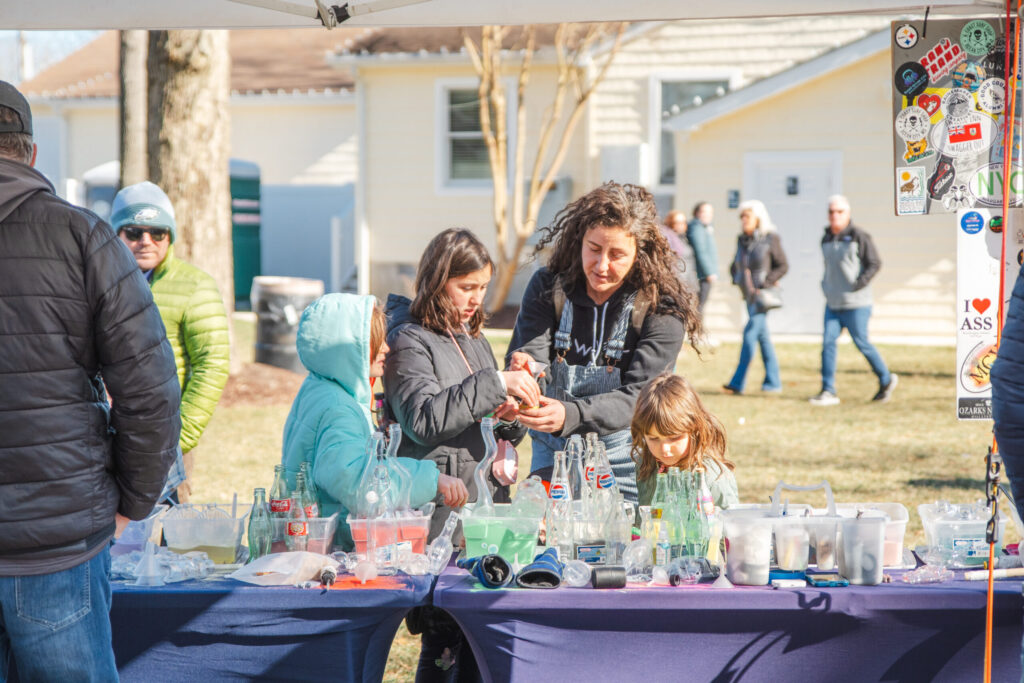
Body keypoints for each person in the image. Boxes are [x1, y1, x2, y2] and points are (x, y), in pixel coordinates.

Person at [0, 80, 181, 680]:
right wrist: (133, 501)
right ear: (28, 152)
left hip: (59, 538)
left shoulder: (83, 237)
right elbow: (151, 390)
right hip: (60, 540)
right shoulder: (83, 236)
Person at [384, 228, 535, 683]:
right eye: (465, 287)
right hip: (441, 515)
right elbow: (423, 420)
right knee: (444, 641)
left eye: (483, 288)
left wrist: (512, 412)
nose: (476, 299)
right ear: (437, 280)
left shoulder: (473, 338)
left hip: (483, 510)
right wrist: (494, 385)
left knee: (479, 641)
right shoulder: (409, 339)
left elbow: (483, 422)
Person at [507, 181, 701, 503]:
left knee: (621, 543)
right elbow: (531, 351)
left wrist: (571, 415)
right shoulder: (548, 286)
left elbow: (641, 395)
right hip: (553, 454)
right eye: (594, 249)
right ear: (579, 240)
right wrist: (526, 367)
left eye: (617, 255)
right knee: (548, 538)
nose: (601, 266)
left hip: (627, 454)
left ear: (640, 253)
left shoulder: (661, 307)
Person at [280, 293, 463, 549]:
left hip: (307, 539)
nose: (386, 348)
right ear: (346, 350)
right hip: (332, 550)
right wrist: (432, 479)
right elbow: (360, 484)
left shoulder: (318, 386)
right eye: (374, 341)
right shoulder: (338, 408)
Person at [112, 181, 231, 500]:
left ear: (170, 236)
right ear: (117, 234)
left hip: (166, 439)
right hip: (109, 435)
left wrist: (180, 435)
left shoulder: (195, 286)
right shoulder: (99, 282)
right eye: (134, 232)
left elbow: (212, 365)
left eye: (157, 232)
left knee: (169, 536)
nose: (145, 242)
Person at [809, 195, 898, 406]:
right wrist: (826, 286)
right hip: (833, 303)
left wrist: (858, 283)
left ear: (847, 214)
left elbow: (874, 263)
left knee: (862, 343)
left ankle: (886, 379)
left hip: (857, 303)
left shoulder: (859, 236)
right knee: (828, 344)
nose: (834, 216)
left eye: (839, 212)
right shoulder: (826, 238)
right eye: (831, 212)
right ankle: (828, 390)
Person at [631, 374, 738, 511]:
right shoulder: (647, 465)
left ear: (695, 428)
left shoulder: (713, 476)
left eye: (674, 437)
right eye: (653, 438)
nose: (665, 449)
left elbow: (731, 527)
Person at [723, 200, 789, 395]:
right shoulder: (742, 240)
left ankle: (737, 382)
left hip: (762, 297)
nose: (743, 220)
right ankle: (773, 382)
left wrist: (766, 283)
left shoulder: (770, 238)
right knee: (763, 338)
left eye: (747, 216)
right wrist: (735, 275)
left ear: (758, 218)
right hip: (748, 295)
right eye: (742, 217)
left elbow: (783, 265)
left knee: (749, 335)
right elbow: (737, 263)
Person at [687, 201, 718, 314]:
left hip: (703, 274)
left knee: (701, 305)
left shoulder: (705, 227)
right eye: (704, 212)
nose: (708, 215)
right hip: (701, 275)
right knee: (699, 305)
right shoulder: (696, 228)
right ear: (697, 213)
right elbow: (701, 251)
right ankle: (696, 330)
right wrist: (709, 272)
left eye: (710, 212)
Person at [661, 209, 698, 290]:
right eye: (677, 223)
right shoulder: (667, 237)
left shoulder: (685, 238)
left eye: (683, 222)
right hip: (677, 282)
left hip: (689, 280)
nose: (681, 225)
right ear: (671, 222)